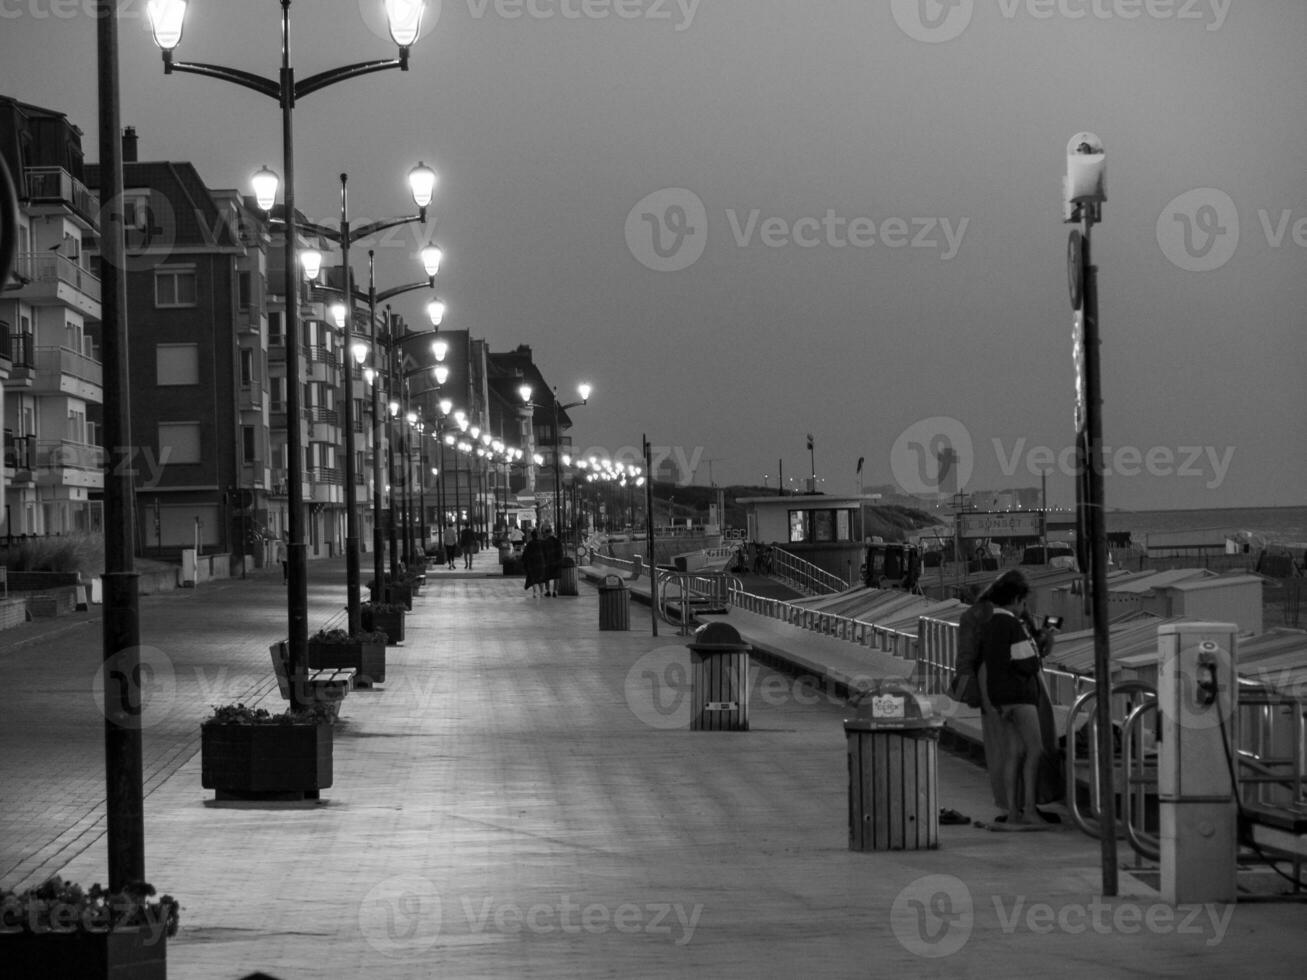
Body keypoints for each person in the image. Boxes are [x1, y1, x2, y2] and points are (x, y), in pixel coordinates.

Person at [978, 571, 1056, 828]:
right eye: (1023, 602)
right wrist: (1040, 644)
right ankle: (1031, 810)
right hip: (1020, 697)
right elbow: (1028, 663)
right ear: (1014, 599)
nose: (1025, 608)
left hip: (999, 698)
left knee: (1014, 753)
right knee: (1036, 750)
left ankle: (1013, 812)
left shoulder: (989, 623)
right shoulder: (1011, 624)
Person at [522, 529, 547, 598]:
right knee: (541, 578)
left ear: (531, 536)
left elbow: (525, 555)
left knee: (534, 578)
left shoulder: (529, 544)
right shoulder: (542, 543)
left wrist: (524, 562)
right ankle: (542, 592)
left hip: (533, 563)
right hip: (541, 563)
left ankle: (535, 592)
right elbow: (546, 553)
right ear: (537, 535)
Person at [542, 526, 563, 597]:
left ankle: (548, 591)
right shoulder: (557, 541)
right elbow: (560, 551)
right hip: (556, 561)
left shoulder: (544, 542)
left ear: (547, 534)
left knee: (546, 577)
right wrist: (560, 560)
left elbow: (543, 553)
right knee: (556, 577)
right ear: (551, 533)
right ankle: (555, 591)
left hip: (547, 562)